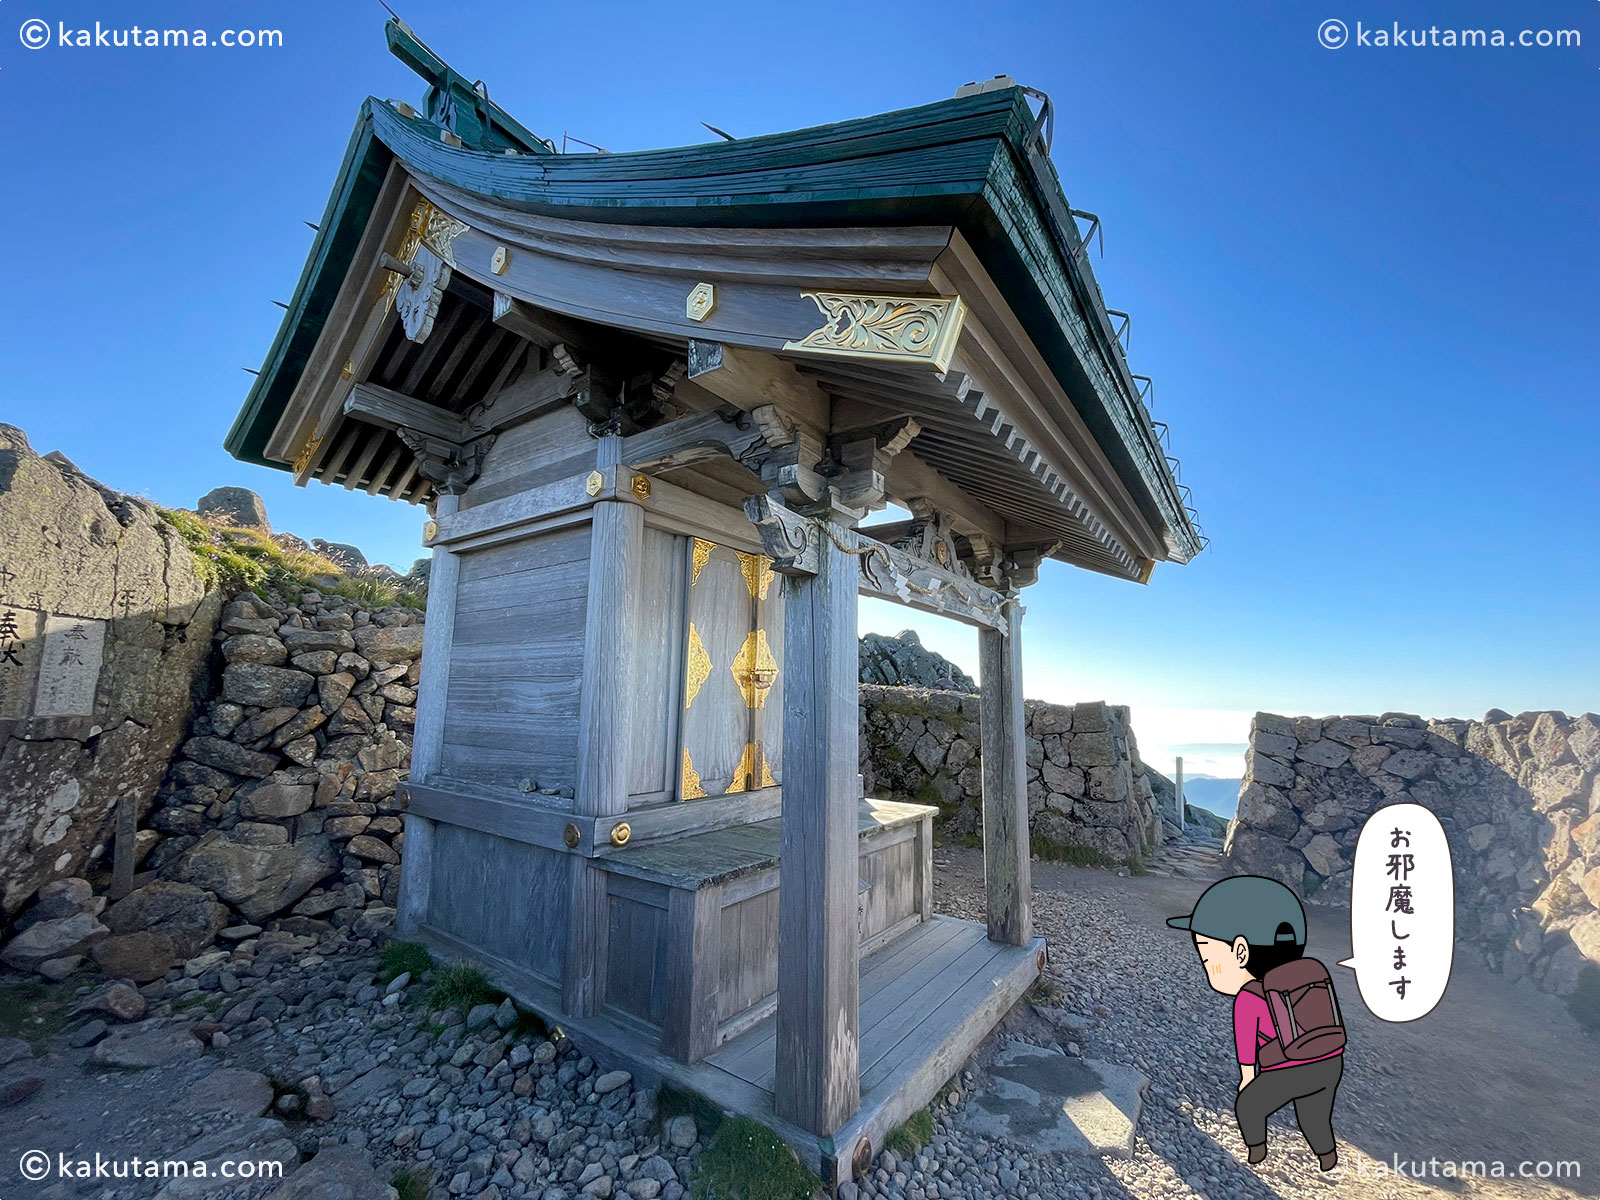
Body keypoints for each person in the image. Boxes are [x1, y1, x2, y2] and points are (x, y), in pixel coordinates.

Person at [1167, 875, 1344, 1171]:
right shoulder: (1308, 974)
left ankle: (1256, 1152)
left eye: (1207, 956)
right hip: (1330, 1060)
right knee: (1313, 1115)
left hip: (1291, 1068)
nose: (1206, 964)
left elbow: (1246, 1044)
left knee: (1249, 1106)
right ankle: (1327, 1156)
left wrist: (1248, 1078)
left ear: (1240, 952)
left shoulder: (1249, 996)